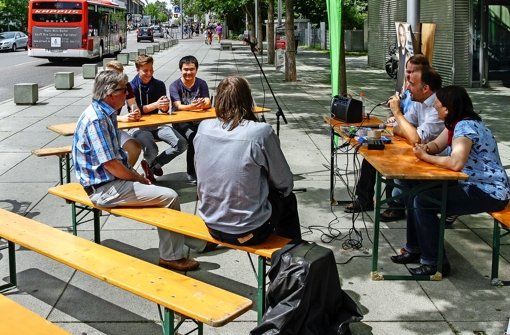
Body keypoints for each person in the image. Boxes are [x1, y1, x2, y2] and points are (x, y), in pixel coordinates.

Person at [72, 70, 203, 272]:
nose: (127, 94)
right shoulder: (97, 119)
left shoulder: (103, 112)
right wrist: (139, 179)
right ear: (109, 94)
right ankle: (172, 257)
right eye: (124, 90)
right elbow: (112, 165)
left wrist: (136, 178)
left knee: (159, 196)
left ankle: (196, 243)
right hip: (103, 189)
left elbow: (115, 161)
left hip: (107, 182)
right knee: (169, 196)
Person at [391, 85, 510, 276]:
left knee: (423, 200)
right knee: (415, 191)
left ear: (447, 108)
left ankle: (435, 263)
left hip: (489, 192)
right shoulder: (456, 123)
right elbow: (437, 145)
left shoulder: (464, 127)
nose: (434, 108)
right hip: (473, 183)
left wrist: (425, 157)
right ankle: (414, 248)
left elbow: (455, 163)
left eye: (437, 105)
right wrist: (425, 148)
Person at [194, 76, 301, 246]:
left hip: (211, 224)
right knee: (288, 200)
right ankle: (289, 259)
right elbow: (285, 183)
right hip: (249, 231)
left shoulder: (203, 127)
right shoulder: (260, 132)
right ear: (248, 99)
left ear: (218, 100)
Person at [344, 57, 435, 218]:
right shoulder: (418, 100)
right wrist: (401, 123)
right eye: (407, 72)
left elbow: (416, 138)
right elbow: (401, 127)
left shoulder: (436, 105)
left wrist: (398, 114)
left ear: (425, 85)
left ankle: (396, 206)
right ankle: (365, 199)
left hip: (430, 154)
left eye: (412, 77)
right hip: (414, 144)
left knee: (391, 159)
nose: (408, 81)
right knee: (374, 150)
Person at [129, 54, 187, 183]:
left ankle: (153, 165)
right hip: (139, 125)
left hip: (158, 123)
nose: (149, 73)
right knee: (152, 148)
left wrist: (165, 106)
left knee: (182, 144)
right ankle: (151, 167)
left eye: (151, 70)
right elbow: (135, 111)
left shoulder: (159, 84)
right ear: (137, 69)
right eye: (145, 71)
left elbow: (164, 110)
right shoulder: (131, 87)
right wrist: (155, 105)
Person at [169, 55, 211, 184]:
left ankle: (207, 169)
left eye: (192, 69)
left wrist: (202, 103)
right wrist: (192, 106)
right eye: (185, 69)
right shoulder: (174, 85)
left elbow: (208, 102)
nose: (189, 72)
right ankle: (191, 172)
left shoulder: (201, 83)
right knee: (194, 137)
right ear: (181, 70)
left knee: (209, 136)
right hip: (181, 122)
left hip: (198, 120)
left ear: (196, 70)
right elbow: (178, 106)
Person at [105, 60, 142, 167]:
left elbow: (133, 104)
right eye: (107, 74)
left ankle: (125, 175)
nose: (109, 77)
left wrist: (135, 112)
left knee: (135, 148)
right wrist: (121, 118)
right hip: (102, 127)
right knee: (111, 155)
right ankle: (123, 176)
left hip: (115, 127)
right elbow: (100, 116)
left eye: (113, 75)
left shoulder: (126, 86)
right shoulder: (101, 87)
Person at [395, 23, 412, 95]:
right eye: (400, 35)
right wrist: (397, 91)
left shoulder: (408, 53)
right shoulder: (399, 51)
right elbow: (400, 73)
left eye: (403, 35)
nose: (402, 38)